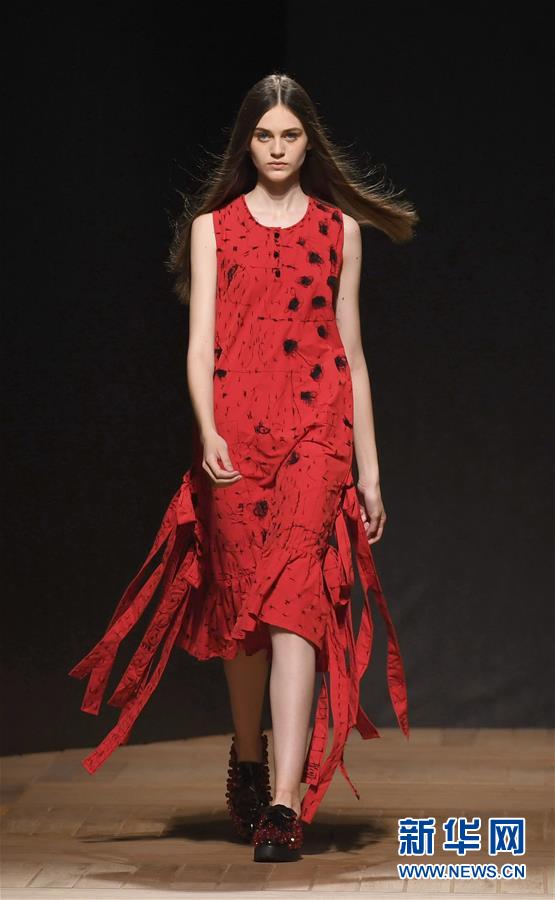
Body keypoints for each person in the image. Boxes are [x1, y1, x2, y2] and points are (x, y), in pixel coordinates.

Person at [68, 72, 419, 864]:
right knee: (241, 611)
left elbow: (352, 355)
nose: (277, 149)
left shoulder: (340, 232)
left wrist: (367, 468)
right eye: (264, 136)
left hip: (316, 434)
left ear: (308, 141)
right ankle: (249, 755)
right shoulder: (212, 229)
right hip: (233, 432)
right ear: (246, 143)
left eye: (290, 135)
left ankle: (284, 804)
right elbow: (198, 346)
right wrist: (207, 429)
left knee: (296, 604)